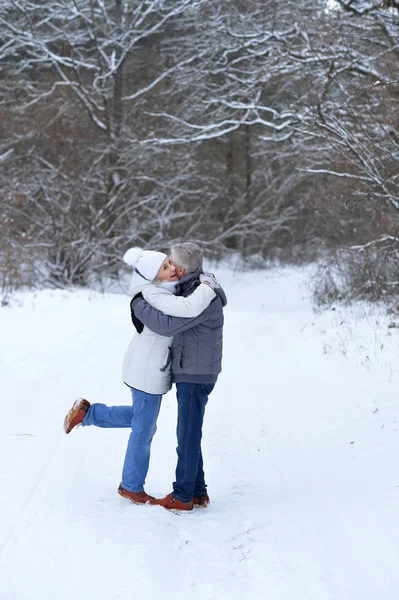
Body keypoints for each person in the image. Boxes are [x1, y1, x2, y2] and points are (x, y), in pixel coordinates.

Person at [63, 246, 216, 505]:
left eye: (170, 264)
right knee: (144, 429)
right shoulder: (152, 293)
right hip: (147, 370)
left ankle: (89, 413)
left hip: (149, 367)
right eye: (165, 269)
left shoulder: (164, 288)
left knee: (140, 418)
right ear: (153, 277)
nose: (172, 270)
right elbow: (186, 310)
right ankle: (131, 486)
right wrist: (209, 287)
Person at [130, 242, 227, 511]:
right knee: (190, 433)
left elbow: (165, 324)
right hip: (193, 369)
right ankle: (198, 491)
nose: (170, 266)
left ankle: (182, 496)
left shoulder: (200, 296)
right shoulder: (192, 289)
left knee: (186, 436)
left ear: (181, 268)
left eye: (171, 263)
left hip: (196, 372)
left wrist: (138, 303)